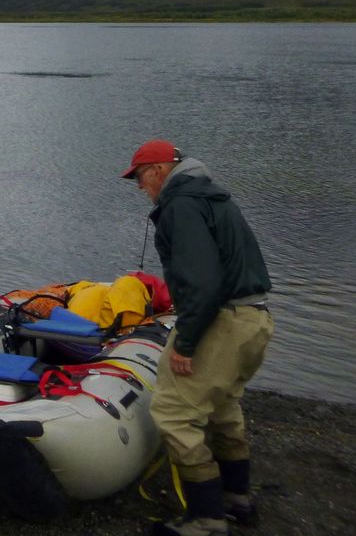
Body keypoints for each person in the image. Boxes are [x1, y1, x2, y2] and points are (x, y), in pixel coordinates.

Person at [121, 139, 274, 536]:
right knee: (223, 406)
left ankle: (206, 519)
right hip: (255, 318)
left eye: (139, 177)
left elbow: (200, 281)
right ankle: (235, 500)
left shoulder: (182, 205)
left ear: (156, 170)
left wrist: (187, 342)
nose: (140, 187)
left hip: (221, 321)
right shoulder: (211, 196)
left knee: (173, 411)